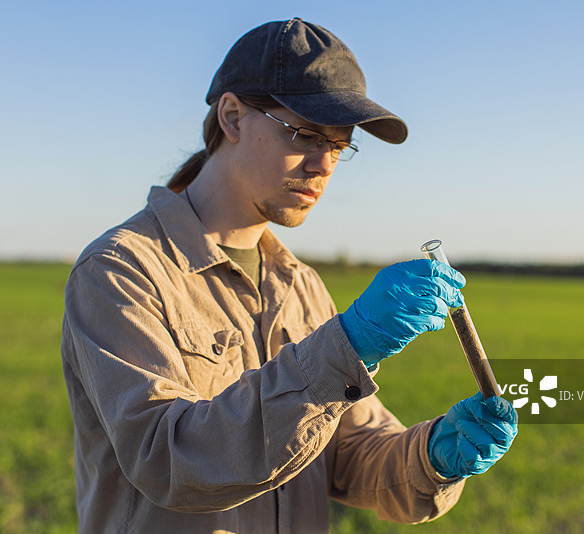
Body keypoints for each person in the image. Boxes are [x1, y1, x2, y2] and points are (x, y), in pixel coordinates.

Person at [61, 18, 517, 533]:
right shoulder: (123, 271)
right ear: (232, 117)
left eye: (341, 146)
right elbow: (169, 460)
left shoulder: (300, 285)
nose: (325, 164)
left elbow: (346, 453)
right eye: (306, 134)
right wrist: (346, 348)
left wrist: (430, 458)